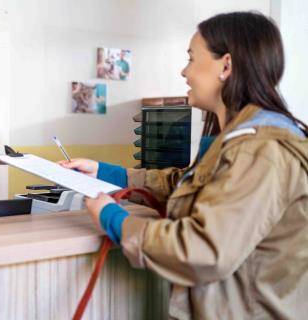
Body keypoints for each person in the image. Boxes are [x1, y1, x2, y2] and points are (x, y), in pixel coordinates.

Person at [61, 12, 308, 319]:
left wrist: (115, 219)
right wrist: (105, 173)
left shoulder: (259, 149)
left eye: (191, 58)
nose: (184, 71)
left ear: (226, 66)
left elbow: (202, 251)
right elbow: (186, 186)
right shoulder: (243, 137)